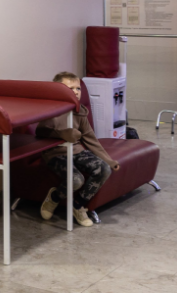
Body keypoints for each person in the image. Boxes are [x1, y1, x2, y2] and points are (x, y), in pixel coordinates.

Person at [35, 71, 120, 227]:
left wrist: (108, 160)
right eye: (70, 88)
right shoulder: (51, 110)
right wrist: (63, 134)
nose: (76, 92)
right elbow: (41, 132)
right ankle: (54, 197)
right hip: (56, 153)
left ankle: (78, 205)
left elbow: (90, 138)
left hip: (77, 151)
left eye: (78, 88)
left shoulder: (79, 111)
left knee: (103, 169)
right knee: (76, 180)